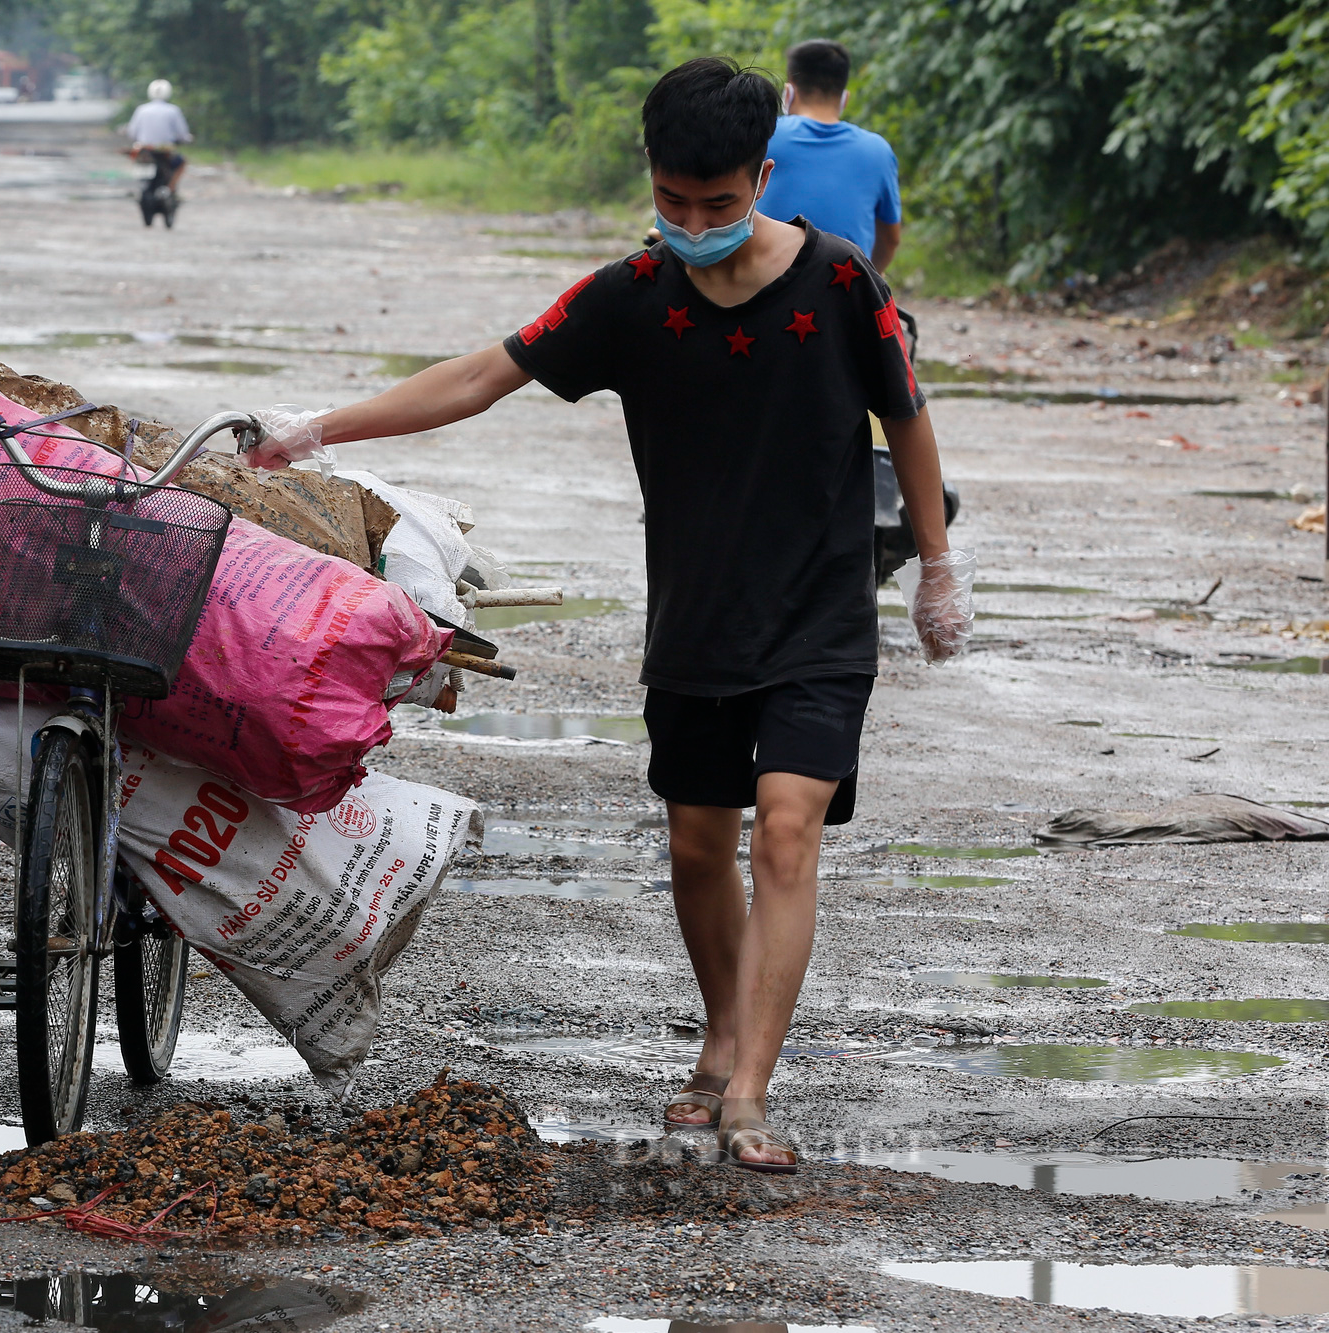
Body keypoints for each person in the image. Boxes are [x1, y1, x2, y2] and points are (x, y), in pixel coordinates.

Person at [246, 57, 971, 1173]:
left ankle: (749, 1089)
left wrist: (933, 564)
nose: (691, 224)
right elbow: (477, 377)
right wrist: (317, 432)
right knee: (695, 843)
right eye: (672, 202)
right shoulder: (627, 295)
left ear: (761, 177)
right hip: (696, 617)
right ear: (650, 175)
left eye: (718, 205)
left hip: (819, 616)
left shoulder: (839, 285)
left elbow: (907, 419)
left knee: (784, 829)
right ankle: (718, 1027)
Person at [755, 39, 902, 271]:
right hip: (844, 287)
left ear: (789, 91)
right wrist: (869, 280)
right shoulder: (878, 150)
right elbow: (891, 239)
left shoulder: (763, 135)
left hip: (767, 284)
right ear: (845, 97)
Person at [124, 78, 192, 194]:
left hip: (144, 149)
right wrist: (186, 139)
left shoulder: (141, 110)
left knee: (136, 159)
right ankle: (170, 188)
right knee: (181, 162)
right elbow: (182, 134)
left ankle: (139, 187)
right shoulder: (173, 110)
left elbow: (132, 133)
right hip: (165, 151)